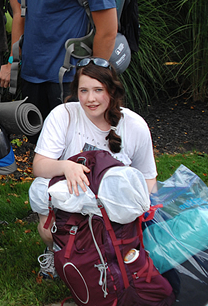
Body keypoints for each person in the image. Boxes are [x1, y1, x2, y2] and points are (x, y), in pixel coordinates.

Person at [29, 58, 157, 278]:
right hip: (73, 199)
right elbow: (39, 166)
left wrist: (140, 212)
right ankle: (55, 250)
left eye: (99, 90)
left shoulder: (135, 125)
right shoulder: (64, 115)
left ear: (112, 90)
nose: (90, 99)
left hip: (115, 206)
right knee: (41, 189)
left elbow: (148, 179)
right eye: (84, 90)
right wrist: (66, 166)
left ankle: (108, 253)